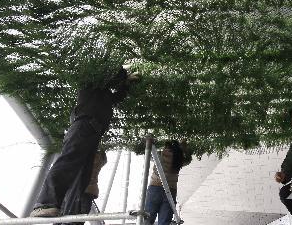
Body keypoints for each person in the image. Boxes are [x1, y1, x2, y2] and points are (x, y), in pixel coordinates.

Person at [31, 66, 139, 217]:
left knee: (83, 176)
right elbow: (114, 74)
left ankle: (71, 215)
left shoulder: (102, 92)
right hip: (83, 128)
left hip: (92, 132)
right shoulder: (90, 81)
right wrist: (123, 71)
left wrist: (126, 84)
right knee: (68, 162)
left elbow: (116, 98)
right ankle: (45, 203)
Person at [145, 140, 192, 225]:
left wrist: (149, 143)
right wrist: (184, 149)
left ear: (166, 147)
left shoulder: (159, 154)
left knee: (147, 219)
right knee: (164, 222)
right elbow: (188, 160)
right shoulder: (179, 158)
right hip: (171, 191)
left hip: (155, 188)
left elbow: (147, 155)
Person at [56, 150, 107, 225]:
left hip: (82, 190)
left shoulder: (93, 157)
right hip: (85, 190)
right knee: (73, 218)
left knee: (71, 217)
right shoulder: (98, 158)